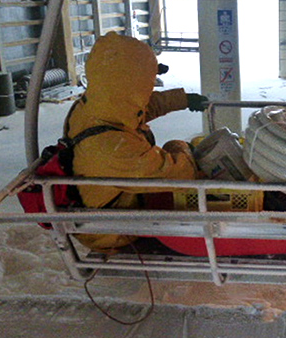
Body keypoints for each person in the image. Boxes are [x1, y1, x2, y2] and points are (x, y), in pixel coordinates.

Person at [63, 32, 208, 253]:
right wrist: (183, 147)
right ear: (133, 85)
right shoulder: (110, 148)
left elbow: (139, 108)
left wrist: (182, 99)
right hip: (115, 231)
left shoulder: (96, 106)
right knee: (182, 161)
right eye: (147, 82)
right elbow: (181, 175)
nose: (150, 88)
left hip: (125, 200)